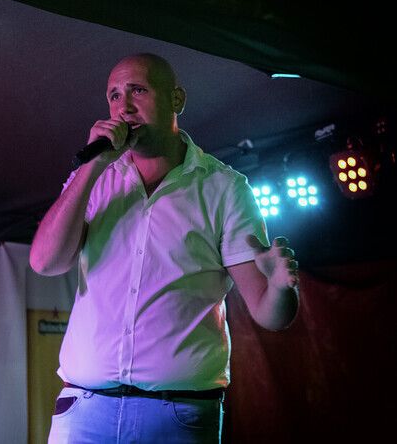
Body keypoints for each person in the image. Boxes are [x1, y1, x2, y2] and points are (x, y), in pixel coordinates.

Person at [29, 53, 300, 443]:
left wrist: (279, 287)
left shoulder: (224, 188)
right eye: (114, 95)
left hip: (178, 415)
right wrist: (92, 165)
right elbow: (44, 261)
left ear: (177, 100)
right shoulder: (95, 179)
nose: (123, 106)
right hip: (84, 411)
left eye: (137, 90)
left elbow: (271, 315)